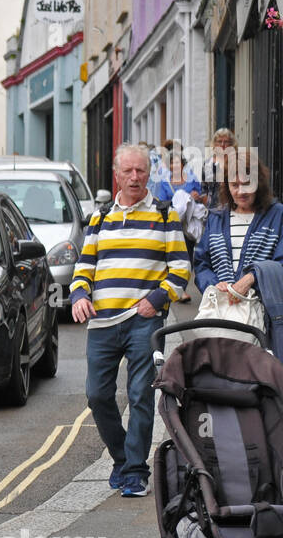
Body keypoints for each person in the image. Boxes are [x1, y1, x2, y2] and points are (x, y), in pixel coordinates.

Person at [70, 142, 192, 498]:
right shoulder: (100, 217)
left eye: (141, 170)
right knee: (97, 395)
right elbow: (84, 268)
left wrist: (156, 299)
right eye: (129, 171)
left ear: (148, 173)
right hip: (103, 323)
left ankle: (135, 471)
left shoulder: (165, 214)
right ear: (117, 175)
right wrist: (78, 295)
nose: (136, 177)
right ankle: (123, 458)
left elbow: (181, 270)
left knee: (140, 394)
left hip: (143, 322)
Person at [193, 148, 283, 299]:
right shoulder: (216, 218)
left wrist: (252, 278)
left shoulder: (278, 215)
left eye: (247, 183)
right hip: (221, 307)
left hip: (262, 310)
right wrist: (213, 284)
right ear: (226, 186)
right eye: (235, 185)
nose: (241, 191)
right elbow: (201, 263)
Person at [151, 138, 208, 274]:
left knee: (187, 254)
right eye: (171, 163)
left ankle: (185, 279)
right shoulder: (164, 182)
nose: (174, 166)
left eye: (176, 163)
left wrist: (195, 197)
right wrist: (181, 201)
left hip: (188, 225)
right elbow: (162, 203)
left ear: (182, 164)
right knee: (173, 253)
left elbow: (201, 198)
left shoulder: (192, 178)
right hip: (173, 223)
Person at [201, 128, 237, 210]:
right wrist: (208, 203)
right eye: (219, 141)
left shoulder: (236, 162)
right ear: (214, 144)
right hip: (212, 209)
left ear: (231, 144)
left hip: (232, 207)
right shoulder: (208, 164)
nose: (222, 144)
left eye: (226, 141)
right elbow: (203, 189)